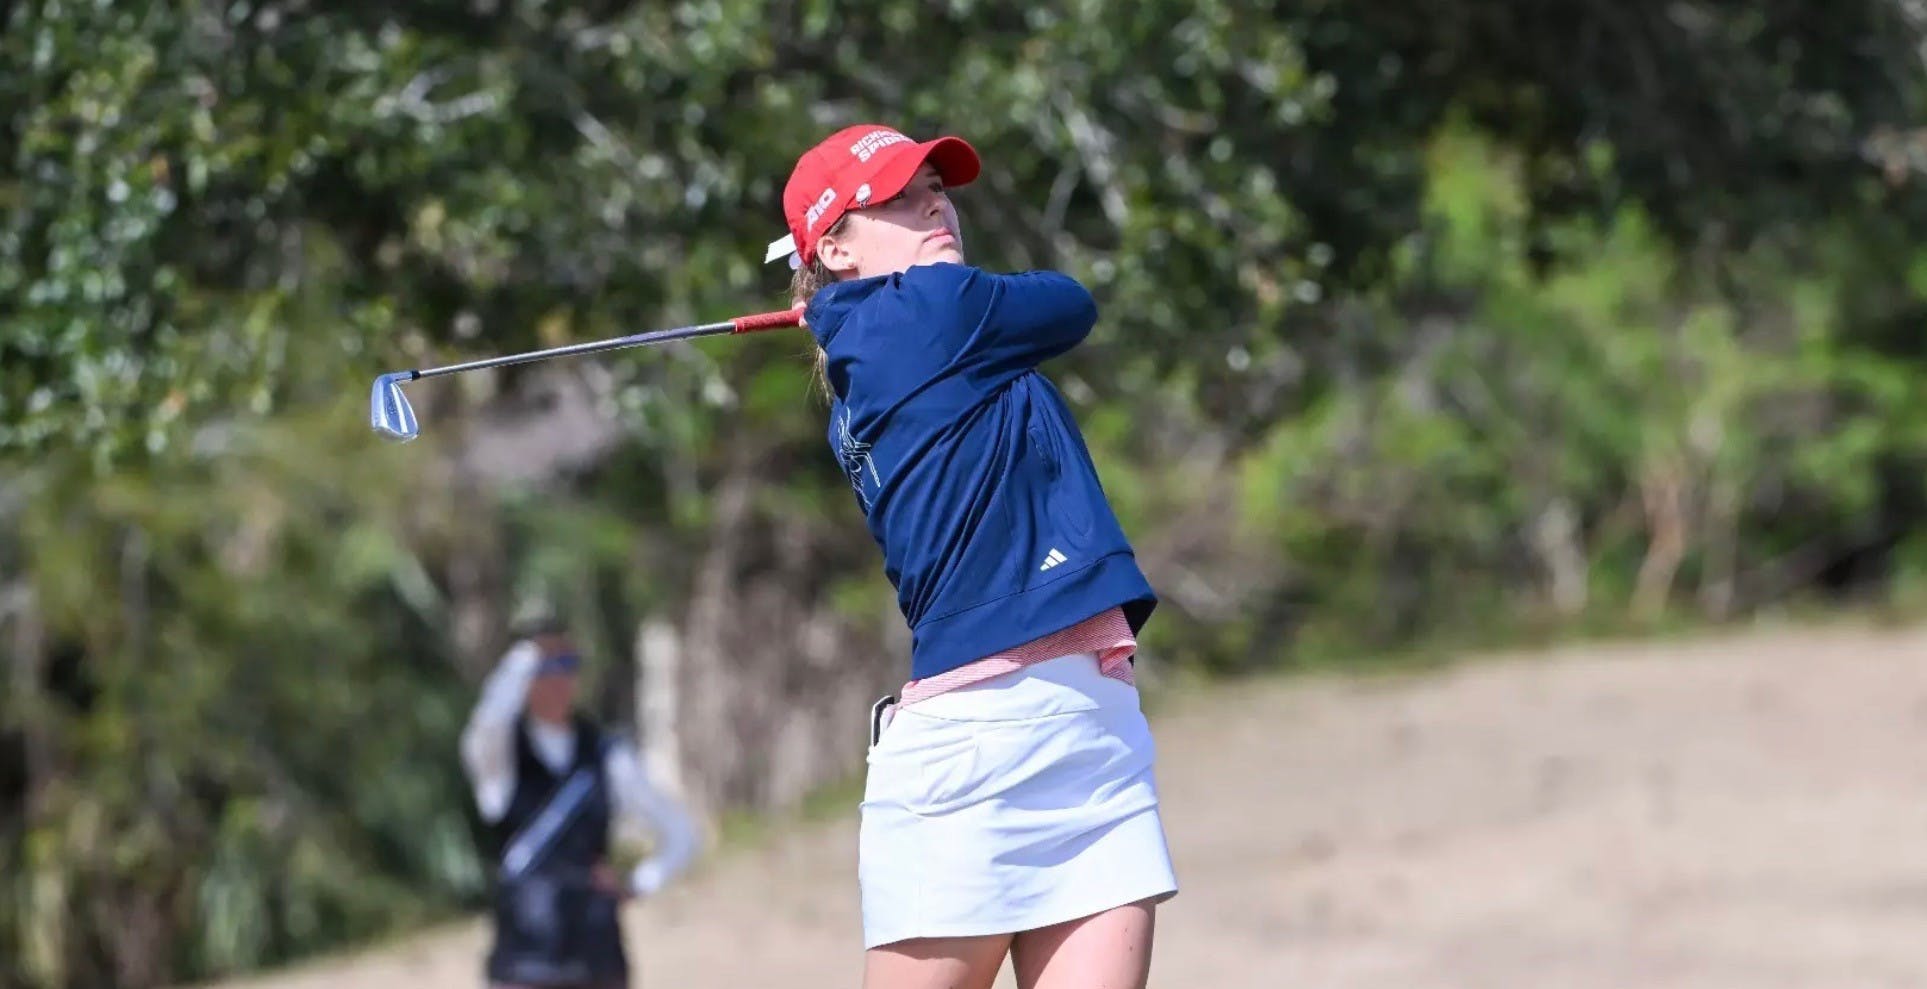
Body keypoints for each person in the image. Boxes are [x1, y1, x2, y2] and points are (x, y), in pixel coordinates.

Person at [764, 124, 1178, 989]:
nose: (934, 206)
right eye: (899, 198)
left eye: (936, 190)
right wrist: (898, 291)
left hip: (1091, 730)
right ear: (833, 244)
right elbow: (1069, 301)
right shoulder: (928, 315)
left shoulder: (901, 332)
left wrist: (854, 297)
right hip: (974, 749)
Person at [459, 625, 701, 989]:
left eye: (567, 665)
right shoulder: (501, 763)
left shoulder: (607, 755)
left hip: (596, 957)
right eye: (545, 669)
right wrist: (524, 659)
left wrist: (639, 881)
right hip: (524, 961)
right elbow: (486, 726)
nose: (558, 681)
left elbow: (682, 833)